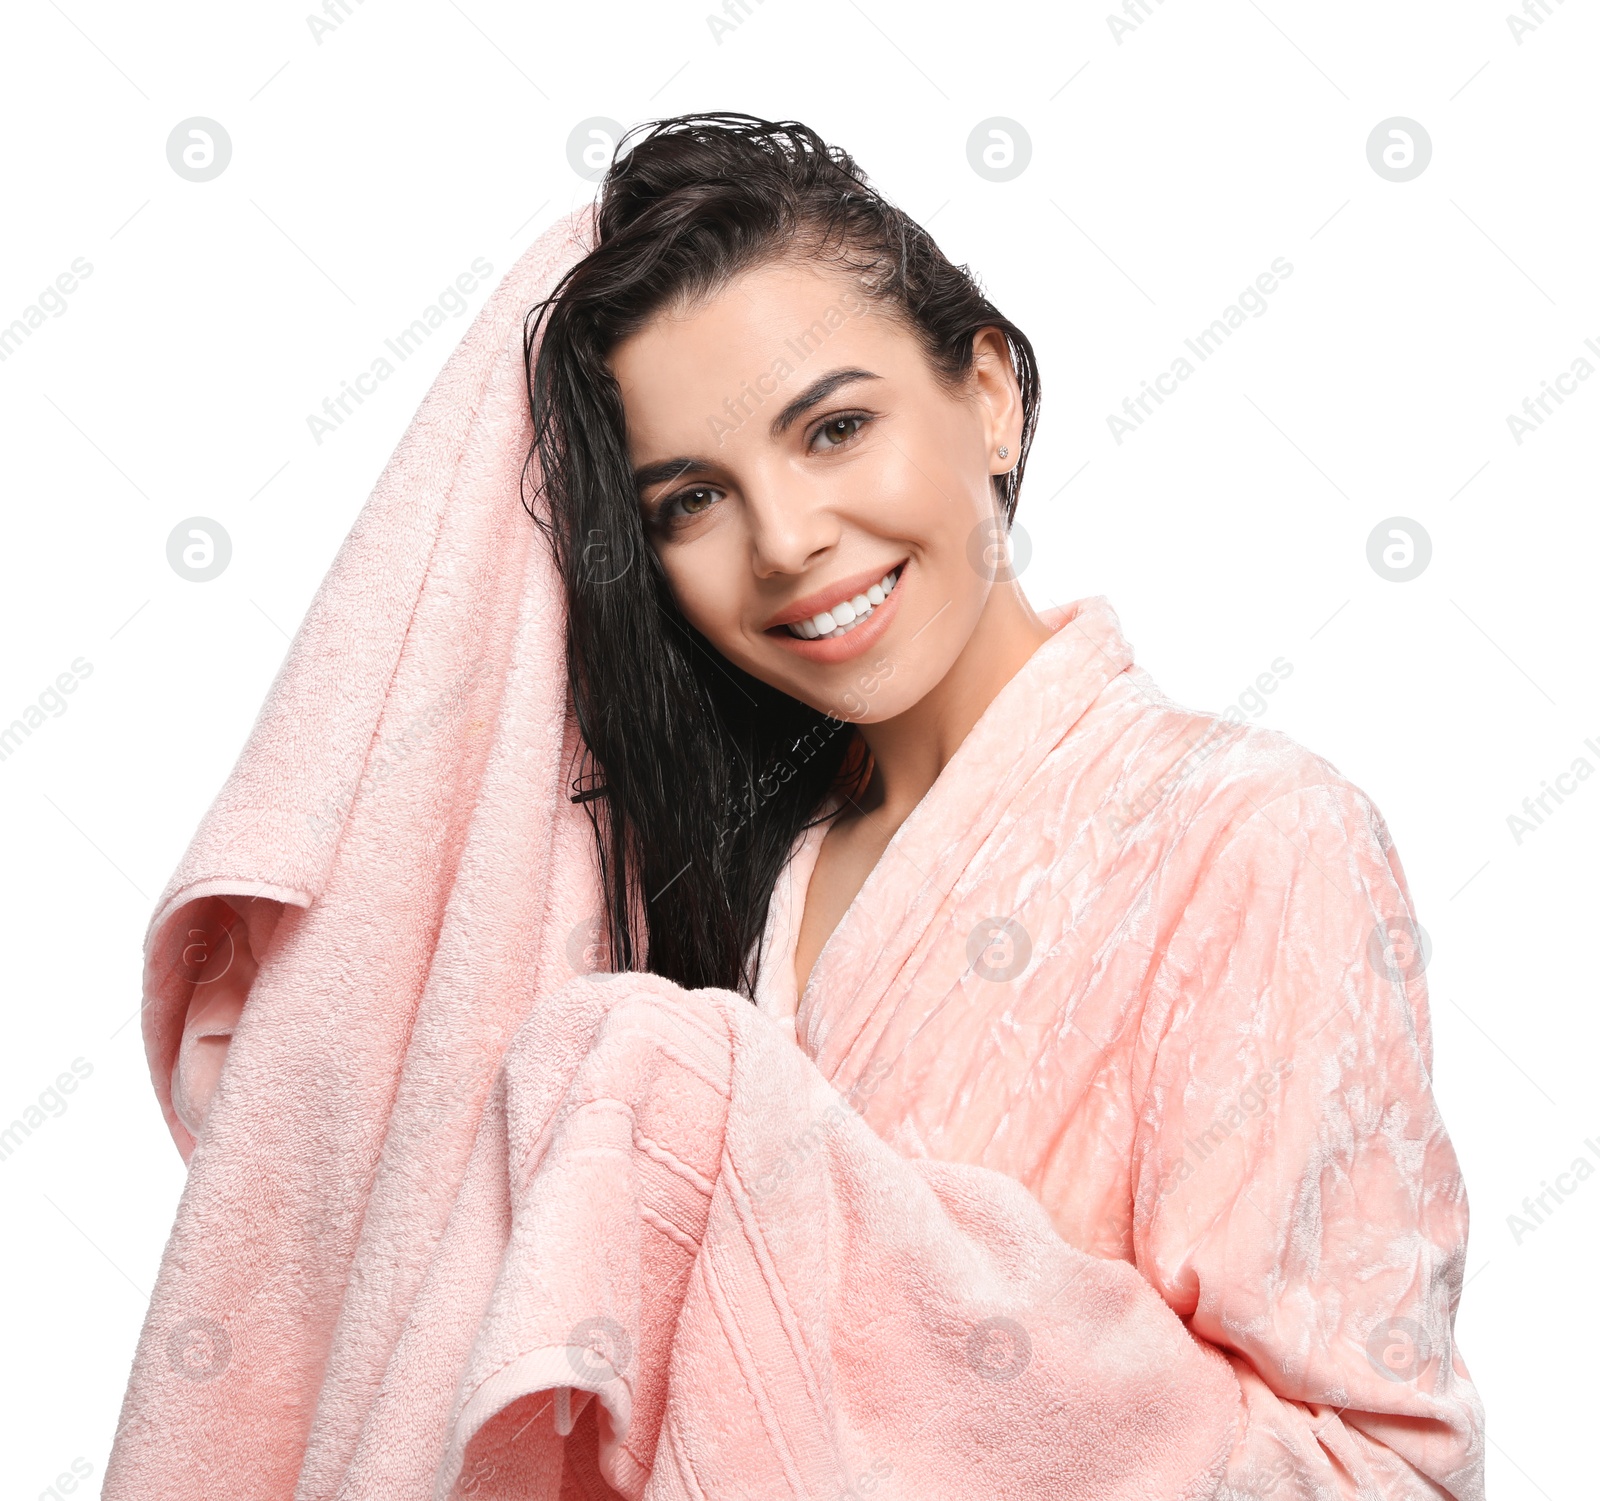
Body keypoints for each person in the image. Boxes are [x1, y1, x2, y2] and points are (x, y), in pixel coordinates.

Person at [518, 111, 1486, 1497]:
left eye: (835, 428)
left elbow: (1380, 1473)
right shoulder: (717, 886)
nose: (787, 540)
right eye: (692, 501)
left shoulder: (1252, 838)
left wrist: (974, 1342)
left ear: (987, 395)